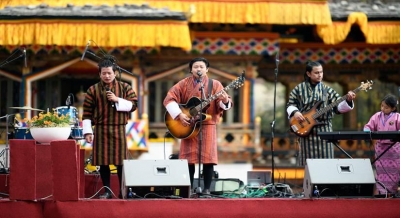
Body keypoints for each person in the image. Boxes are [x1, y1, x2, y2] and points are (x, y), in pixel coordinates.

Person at [163, 57, 233, 195]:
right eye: (195, 67)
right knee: (188, 159)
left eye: (201, 67)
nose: (198, 69)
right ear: (191, 70)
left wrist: (225, 100)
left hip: (208, 125)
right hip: (188, 125)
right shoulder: (183, 84)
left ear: (207, 69)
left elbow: (223, 104)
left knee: (208, 159)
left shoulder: (215, 84)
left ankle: (207, 189)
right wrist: (179, 115)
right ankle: (187, 189)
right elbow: (169, 98)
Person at [82, 56, 138, 199]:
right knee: (103, 162)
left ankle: (122, 190)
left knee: (120, 162)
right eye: (104, 73)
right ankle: (107, 190)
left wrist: (117, 99)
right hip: (100, 128)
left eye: (109, 73)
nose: (107, 76)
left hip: (118, 128)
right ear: (99, 74)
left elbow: (134, 105)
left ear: (115, 73)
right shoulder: (92, 90)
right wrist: (88, 131)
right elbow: (87, 112)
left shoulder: (125, 87)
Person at [286, 61, 356, 166]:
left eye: (321, 72)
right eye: (316, 72)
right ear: (308, 74)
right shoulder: (299, 89)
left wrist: (348, 100)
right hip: (305, 130)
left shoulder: (328, 90)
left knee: (326, 163)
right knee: (308, 163)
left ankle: (326, 182)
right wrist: (295, 112)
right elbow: (290, 104)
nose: (320, 75)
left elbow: (339, 108)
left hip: (325, 129)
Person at [363, 94, 400, 196]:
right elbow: (368, 126)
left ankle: (393, 193)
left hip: (393, 149)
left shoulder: (397, 117)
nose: (383, 109)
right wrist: (367, 130)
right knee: (380, 172)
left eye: (386, 107)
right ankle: (381, 193)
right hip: (380, 148)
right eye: (382, 106)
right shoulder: (377, 116)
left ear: (393, 108)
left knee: (394, 172)